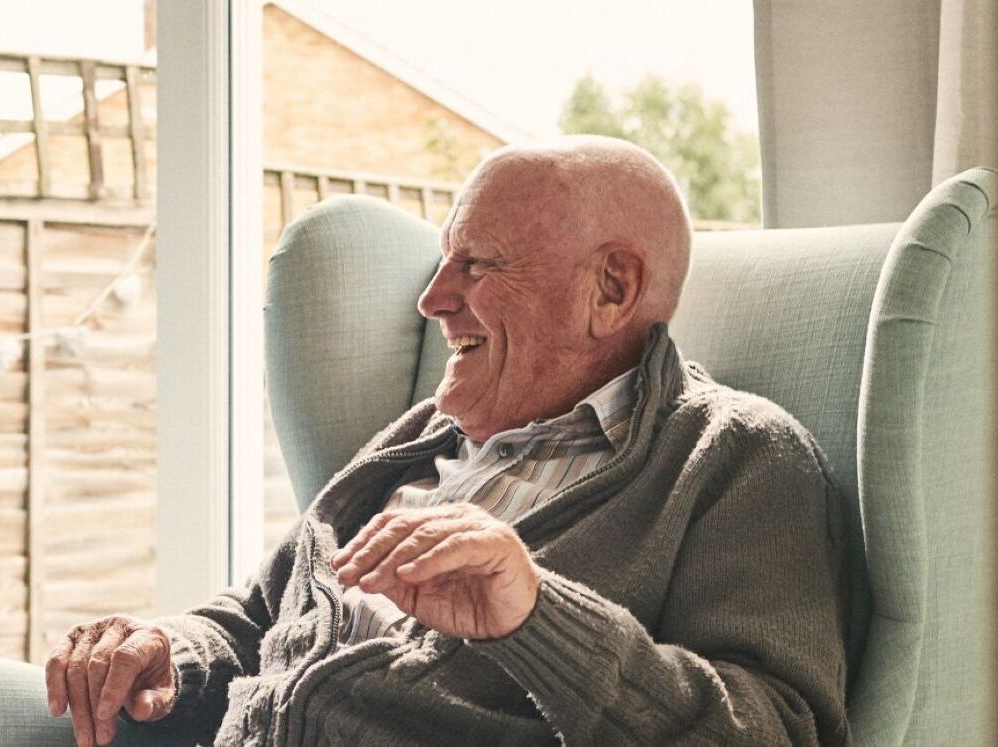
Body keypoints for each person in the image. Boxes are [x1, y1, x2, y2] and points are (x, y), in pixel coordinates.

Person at [45, 136, 851, 745]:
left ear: (611, 288)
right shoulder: (423, 436)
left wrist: (536, 614)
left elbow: (781, 729)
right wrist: (169, 649)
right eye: (442, 262)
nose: (432, 299)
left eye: (476, 265)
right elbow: (261, 614)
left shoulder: (732, 454)